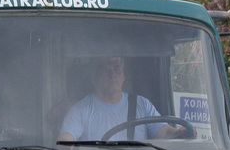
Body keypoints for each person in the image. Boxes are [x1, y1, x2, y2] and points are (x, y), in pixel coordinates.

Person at [57, 57, 191, 142]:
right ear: (94, 77)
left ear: (123, 76)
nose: (112, 74)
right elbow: (66, 140)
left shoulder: (141, 104)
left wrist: (179, 132)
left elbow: (164, 132)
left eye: (117, 69)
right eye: (105, 70)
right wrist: (66, 147)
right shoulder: (81, 109)